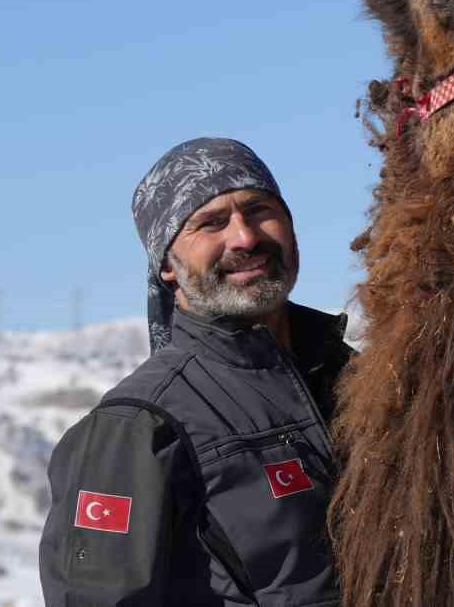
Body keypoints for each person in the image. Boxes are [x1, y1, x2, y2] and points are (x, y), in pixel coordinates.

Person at [39, 137, 352, 606]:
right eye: (210, 223)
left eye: (259, 209)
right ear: (167, 263)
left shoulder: (360, 380)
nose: (245, 237)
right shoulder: (137, 428)